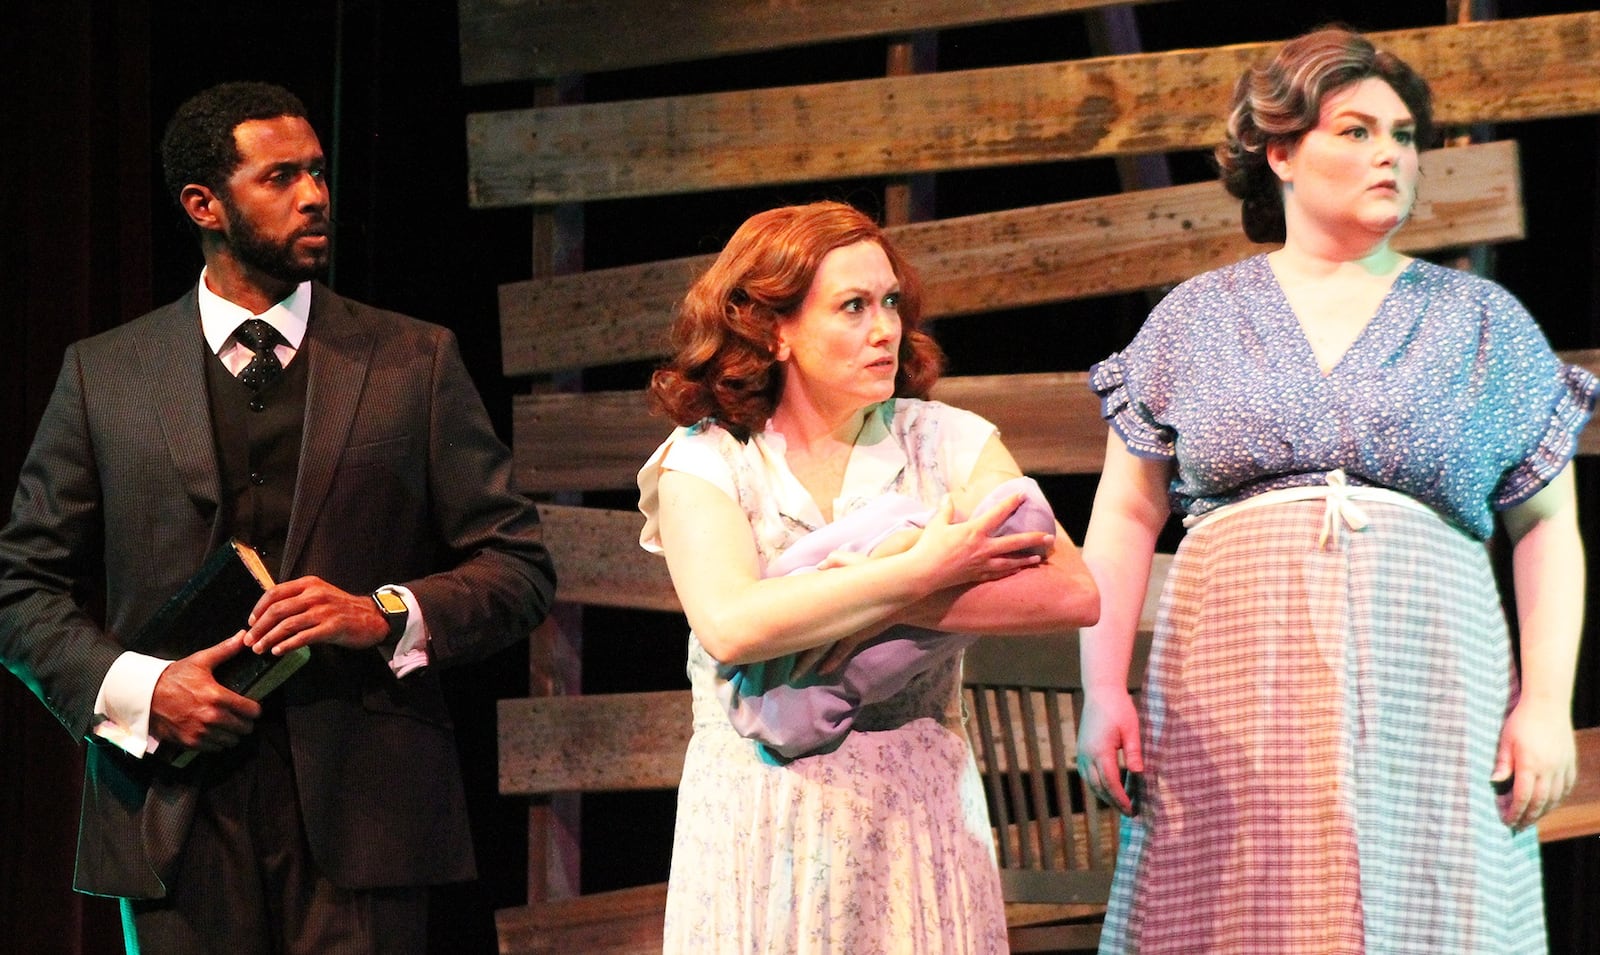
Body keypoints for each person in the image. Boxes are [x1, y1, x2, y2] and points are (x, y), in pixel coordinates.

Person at [0, 81, 556, 953]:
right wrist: (146, 690)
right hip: (171, 812)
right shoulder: (104, 374)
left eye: (321, 173)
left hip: (365, 812)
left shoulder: (414, 359)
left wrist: (382, 613)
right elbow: (22, 590)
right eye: (282, 176)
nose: (317, 195)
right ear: (204, 204)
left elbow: (519, 566)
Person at [1075, 27, 1594, 954]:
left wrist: (1547, 702)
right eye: (1355, 130)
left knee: (1436, 901)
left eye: (1403, 136)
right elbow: (1124, 513)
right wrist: (1102, 685)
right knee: (1235, 910)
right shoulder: (1198, 315)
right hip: (1231, 678)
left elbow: (1547, 525)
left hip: (1432, 673)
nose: (1389, 154)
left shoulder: (1480, 320)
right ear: (1279, 151)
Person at [636, 200, 1100, 952]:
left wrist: (895, 596)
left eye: (889, 302)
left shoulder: (947, 442)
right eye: (852, 307)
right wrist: (921, 569)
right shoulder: (709, 457)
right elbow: (732, 623)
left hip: (914, 804)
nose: (884, 328)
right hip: (761, 810)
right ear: (774, 328)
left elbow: (1071, 589)